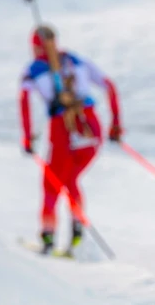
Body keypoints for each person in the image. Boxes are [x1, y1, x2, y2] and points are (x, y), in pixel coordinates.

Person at [19, 25, 122, 255]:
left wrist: (27, 137)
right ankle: (78, 237)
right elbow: (110, 86)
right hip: (91, 127)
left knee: (52, 184)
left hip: (63, 128)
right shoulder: (76, 60)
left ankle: (48, 238)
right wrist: (116, 125)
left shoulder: (34, 70)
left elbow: (24, 100)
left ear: (36, 46)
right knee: (71, 180)